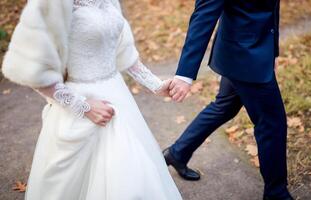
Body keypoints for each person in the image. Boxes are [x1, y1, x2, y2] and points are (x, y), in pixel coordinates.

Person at [2, 0, 182, 199]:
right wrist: (84, 106)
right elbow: (31, 70)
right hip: (80, 105)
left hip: (118, 97)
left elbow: (121, 50)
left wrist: (155, 84)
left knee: (131, 175)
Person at [164, 0, 293, 200]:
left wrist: (272, 50)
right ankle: (276, 193)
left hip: (253, 50)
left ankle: (177, 153)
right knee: (272, 123)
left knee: (225, 106)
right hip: (244, 56)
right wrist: (184, 75)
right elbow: (203, 15)